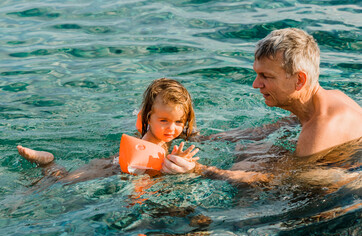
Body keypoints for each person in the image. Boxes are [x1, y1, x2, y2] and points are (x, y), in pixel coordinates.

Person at [162, 28, 362, 183]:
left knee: (248, 164)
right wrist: (200, 137)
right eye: (257, 74)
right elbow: (275, 127)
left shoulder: (320, 130)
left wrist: (197, 169)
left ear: (299, 80)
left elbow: (274, 181)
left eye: (266, 76)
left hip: (346, 185)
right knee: (251, 150)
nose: (256, 84)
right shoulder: (325, 100)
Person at [17, 78, 199, 184]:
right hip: (111, 168)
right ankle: (48, 163)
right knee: (64, 182)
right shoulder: (150, 144)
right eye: (164, 120)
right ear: (148, 117)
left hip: (114, 160)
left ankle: (49, 165)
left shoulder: (161, 132)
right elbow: (149, 175)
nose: (171, 128)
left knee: (65, 178)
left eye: (178, 122)